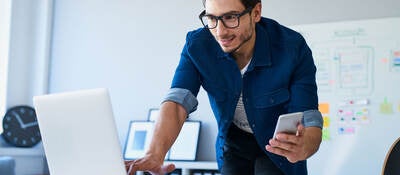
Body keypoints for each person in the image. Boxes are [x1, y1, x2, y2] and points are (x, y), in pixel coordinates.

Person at [125, 0, 323, 174]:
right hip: (234, 143)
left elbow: (308, 116)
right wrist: (154, 154)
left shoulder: (292, 47)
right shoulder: (197, 46)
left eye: (230, 17)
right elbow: (178, 101)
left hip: (277, 145)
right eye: (211, 18)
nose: (220, 31)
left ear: (256, 12)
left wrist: (307, 145)